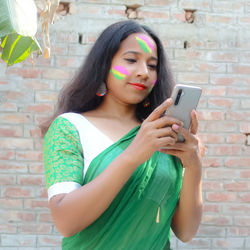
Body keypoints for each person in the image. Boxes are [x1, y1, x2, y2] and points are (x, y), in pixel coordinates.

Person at [42, 20, 203, 250]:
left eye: (152, 65)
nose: (143, 72)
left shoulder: (160, 133)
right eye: (130, 60)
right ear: (104, 64)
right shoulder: (70, 127)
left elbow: (185, 231)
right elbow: (65, 221)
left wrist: (194, 164)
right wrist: (134, 154)